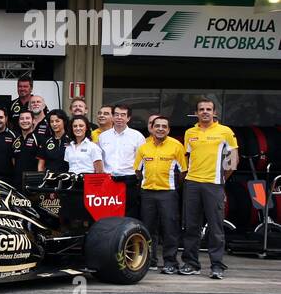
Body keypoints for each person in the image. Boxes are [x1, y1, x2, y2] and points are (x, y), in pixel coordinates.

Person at [180, 98, 238, 279]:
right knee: (191, 226)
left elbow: (233, 160)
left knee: (215, 226)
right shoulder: (190, 132)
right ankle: (191, 263)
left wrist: (221, 180)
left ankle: (217, 265)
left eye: (208, 109)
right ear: (196, 113)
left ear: (214, 113)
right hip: (192, 184)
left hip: (214, 185)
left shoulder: (225, 131)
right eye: (201, 109)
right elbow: (186, 158)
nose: (205, 112)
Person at [133, 115, 186, 275]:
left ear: (168, 129)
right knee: (148, 229)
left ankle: (170, 262)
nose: (161, 129)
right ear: (152, 128)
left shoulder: (176, 146)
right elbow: (137, 170)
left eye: (164, 126)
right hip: (147, 193)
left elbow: (183, 171)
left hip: (168, 194)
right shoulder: (144, 147)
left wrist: (172, 187)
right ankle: (150, 261)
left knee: (170, 229)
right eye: (158, 126)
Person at [97, 103, 144, 216]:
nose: (119, 118)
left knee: (129, 213)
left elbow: (142, 161)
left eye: (123, 115)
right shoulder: (103, 136)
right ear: (112, 117)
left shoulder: (137, 136)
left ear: (128, 118)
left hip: (129, 180)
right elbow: (100, 159)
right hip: (109, 180)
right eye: (116, 114)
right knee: (108, 212)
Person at [11, 109, 40, 189]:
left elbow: (42, 163)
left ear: (33, 120)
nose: (24, 121)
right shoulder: (16, 140)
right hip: (17, 182)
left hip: (34, 183)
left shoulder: (39, 139)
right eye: (22, 118)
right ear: (18, 121)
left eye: (27, 118)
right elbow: (13, 160)